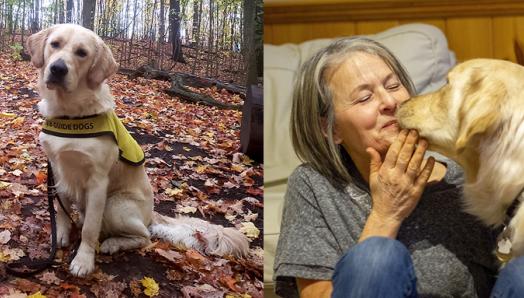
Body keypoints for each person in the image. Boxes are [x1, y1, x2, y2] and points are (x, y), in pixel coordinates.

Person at [273, 37, 524, 297]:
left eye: (393, 85)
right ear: (331, 128)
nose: (390, 101)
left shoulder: (468, 179)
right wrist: (385, 216)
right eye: (364, 97)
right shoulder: (313, 185)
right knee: (375, 256)